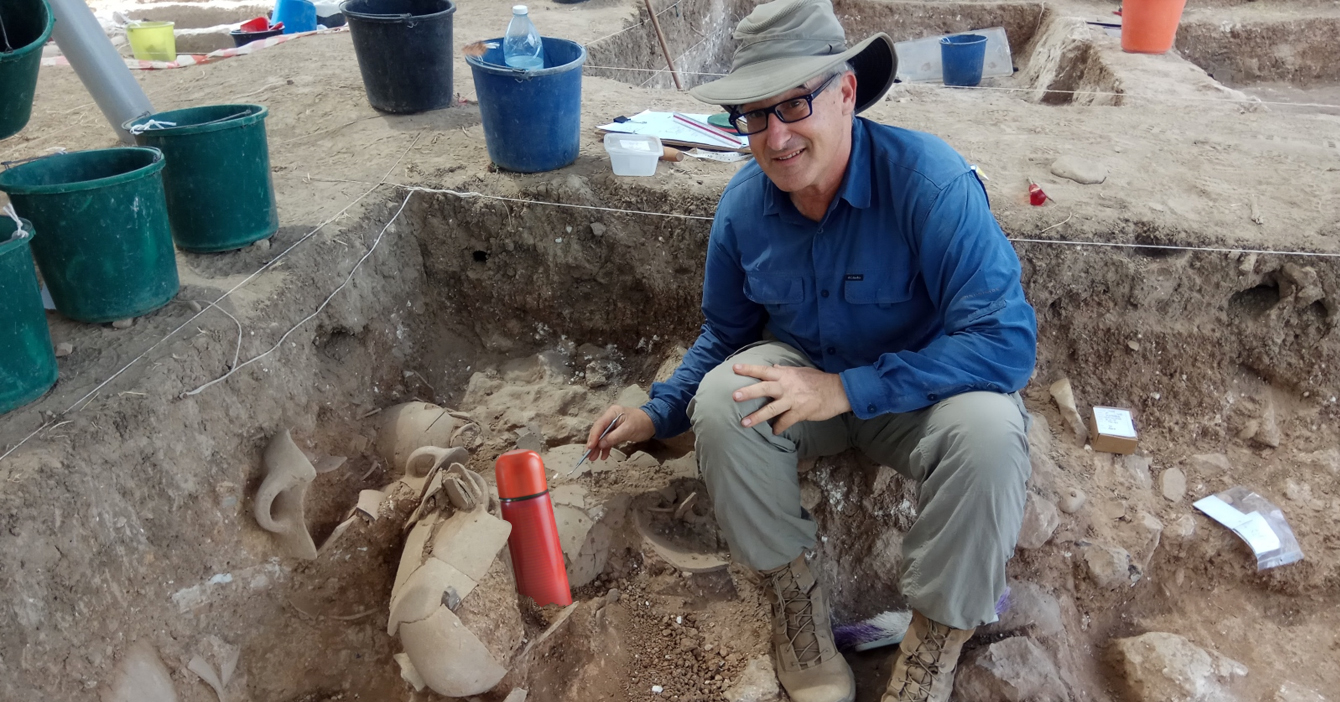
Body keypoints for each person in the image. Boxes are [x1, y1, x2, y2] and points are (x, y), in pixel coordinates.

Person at [584, 0, 1037, 699]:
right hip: (806, 401)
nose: (775, 137)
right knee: (721, 399)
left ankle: (931, 649)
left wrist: (848, 389)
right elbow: (727, 336)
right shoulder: (743, 208)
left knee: (993, 433)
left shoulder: (931, 187)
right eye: (754, 115)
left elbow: (1006, 343)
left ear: (847, 91)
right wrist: (658, 412)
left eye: (793, 105)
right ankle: (797, 607)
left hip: (917, 400)